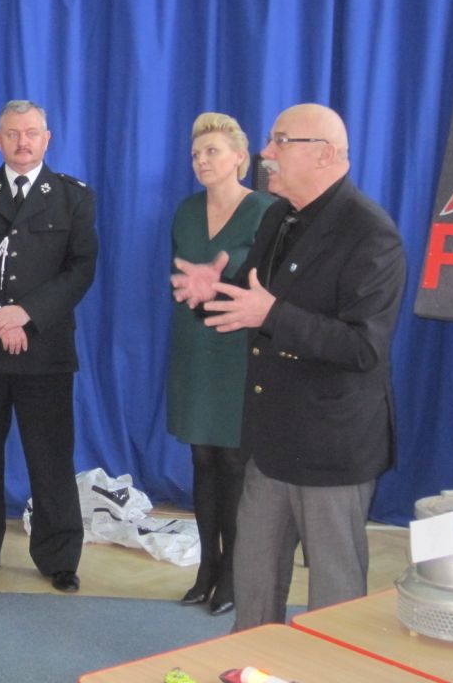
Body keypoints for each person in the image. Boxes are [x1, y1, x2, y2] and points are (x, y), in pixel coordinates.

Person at [171, 103, 406, 629]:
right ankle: (253, 663)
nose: (265, 153)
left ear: (323, 154)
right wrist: (211, 294)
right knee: (254, 587)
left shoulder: (371, 233)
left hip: (332, 446)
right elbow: (249, 301)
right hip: (270, 440)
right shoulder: (278, 218)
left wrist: (273, 314)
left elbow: (364, 347)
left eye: (280, 141)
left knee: (335, 603)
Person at [0, 99, 97, 592]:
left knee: (50, 459)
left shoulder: (73, 197)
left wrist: (25, 314)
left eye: (31, 133)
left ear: (47, 138)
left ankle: (59, 559)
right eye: (12, 133)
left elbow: (81, 269)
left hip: (44, 347)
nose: (22, 142)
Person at [168, 112, 273, 616]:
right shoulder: (187, 211)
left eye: (212, 151)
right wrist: (194, 287)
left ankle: (234, 574)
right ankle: (206, 568)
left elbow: (273, 285)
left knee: (233, 462)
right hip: (195, 346)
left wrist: (222, 284)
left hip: (240, 349)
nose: (201, 160)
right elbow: (180, 277)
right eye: (195, 154)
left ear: (239, 158)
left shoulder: (266, 211)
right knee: (203, 459)